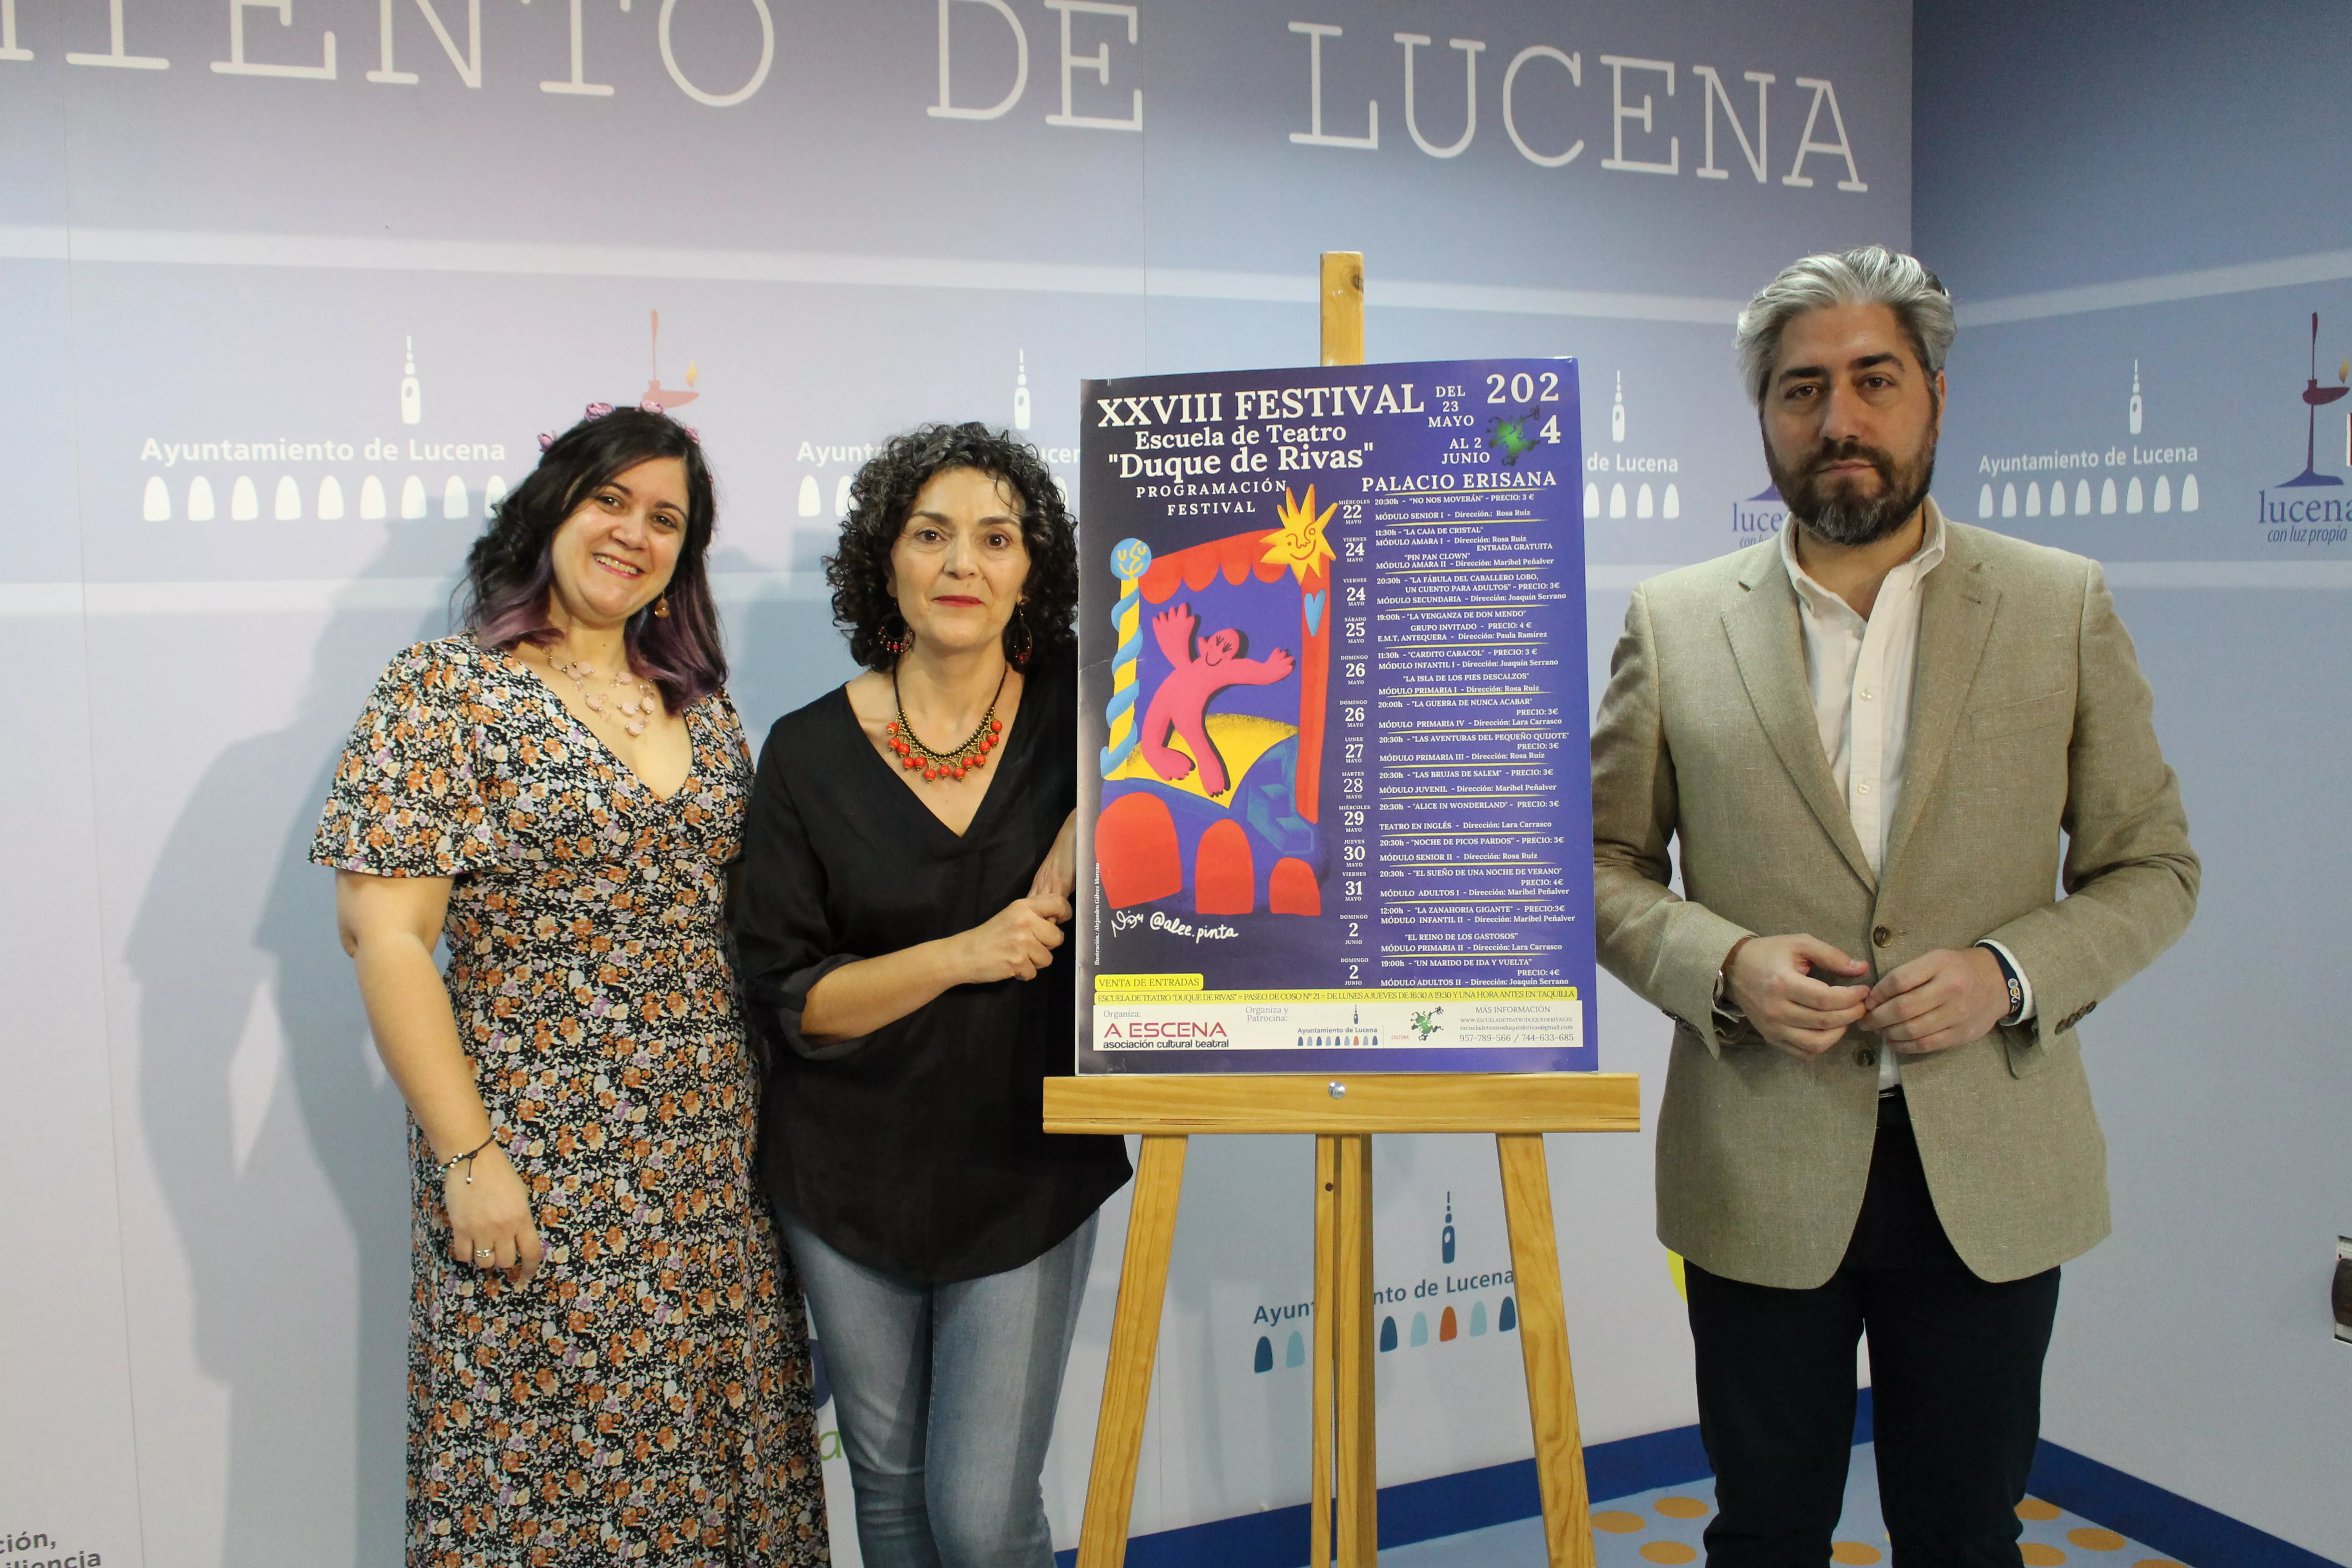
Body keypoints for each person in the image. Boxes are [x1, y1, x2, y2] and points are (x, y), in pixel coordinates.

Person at [1590, 247, 2199, 1565]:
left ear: (1934, 395)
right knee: (1763, 1532)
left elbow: (2154, 866)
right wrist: (1726, 962)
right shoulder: (1677, 621)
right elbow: (1602, 868)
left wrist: (2009, 970)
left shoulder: (2058, 605)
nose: (1840, 422)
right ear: (1764, 417)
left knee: (1966, 1534)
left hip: (1988, 1161)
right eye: (1802, 390)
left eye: (1874, 381)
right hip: (1760, 1158)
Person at [313, 405, 827, 1568]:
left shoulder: (704, 709)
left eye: (665, 519)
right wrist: (468, 1159)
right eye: (610, 500)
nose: (632, 533)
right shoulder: (444, 693)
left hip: (714, 1164)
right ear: (552, 506)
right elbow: (384, 940)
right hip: (538, 1156)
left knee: (722, 1462)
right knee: (546, 1474)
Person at [731, 422, 1132, 1568]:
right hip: (845, 1175)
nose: (963, 564)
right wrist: (971, 950)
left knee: (982, 1516)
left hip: (1028, 1165)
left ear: (1033, 572)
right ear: (885, 565)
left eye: (996, 539)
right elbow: (794, 1002)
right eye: (932, 534)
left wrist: (1091, 818)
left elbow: (1217, 749)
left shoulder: (1093, 715)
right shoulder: (804, 751)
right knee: (895, 1502)